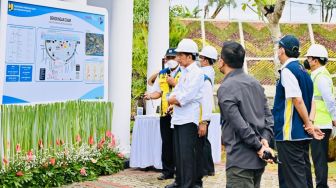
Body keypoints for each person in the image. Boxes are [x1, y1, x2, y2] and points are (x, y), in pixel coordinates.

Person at [217, 41, 274, 188]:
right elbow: (268, 117)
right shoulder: (255, 83)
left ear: (222, 61)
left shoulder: (226, 88)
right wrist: (265, 140)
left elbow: (239, 125)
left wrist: (259, 147)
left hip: (240, 158)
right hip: (258, 159)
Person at [273, 35, 324, 188]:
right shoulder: (304, 72)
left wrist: (309, 124)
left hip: (290, 135)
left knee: (293, 181)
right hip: (300, 134)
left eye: (278, 48)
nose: (277, 51)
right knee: (303, 177)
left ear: (282, 50)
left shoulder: (288, 70)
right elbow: (312, 101)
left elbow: (297, 100)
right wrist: (311, 124)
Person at [165, 38, 203, 188]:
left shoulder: (196, 73)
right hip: (179, 118)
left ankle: (186, 184)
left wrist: (172, 100)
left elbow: (185, 97)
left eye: (180, 55)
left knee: (187, 155)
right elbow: (177, 91)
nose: (178, 58)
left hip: (188, 119)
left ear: (189, 56)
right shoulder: (185, 72)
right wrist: (173, 99)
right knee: (179, 153)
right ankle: (179, 181)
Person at [144, 48, 181, 180]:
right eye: (168, 58)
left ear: (178, 58)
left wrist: (174, 83)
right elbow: (158, 92)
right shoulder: (162, 74)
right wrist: (150, 96)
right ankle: (167, 171)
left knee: (179, 143)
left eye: (173, 57)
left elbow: (188, 90)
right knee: (166, 143)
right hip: (165, 113)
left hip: (180, 112)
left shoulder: (185, 72)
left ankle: (180, 171)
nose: (170, 60)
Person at [304, 44, 336, 188]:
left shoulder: (321, 77)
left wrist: (335, 118)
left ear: (316, 60)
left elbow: (329, 100)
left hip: (321, 124)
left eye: (309, 58)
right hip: (317, 124)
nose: (307, 61)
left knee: (320, 159)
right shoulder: (316, 75)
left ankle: (322, 186)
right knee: (318, 159)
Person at [197, 45, 217, 179]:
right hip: (204, 111)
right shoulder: (208, 70)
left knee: (202, 141)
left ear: (206, 59)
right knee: (204, 141)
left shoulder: (205, 73)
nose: (199, 59)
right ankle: (208, 168)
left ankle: (205, 168)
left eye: (201, 57)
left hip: (202, 111)